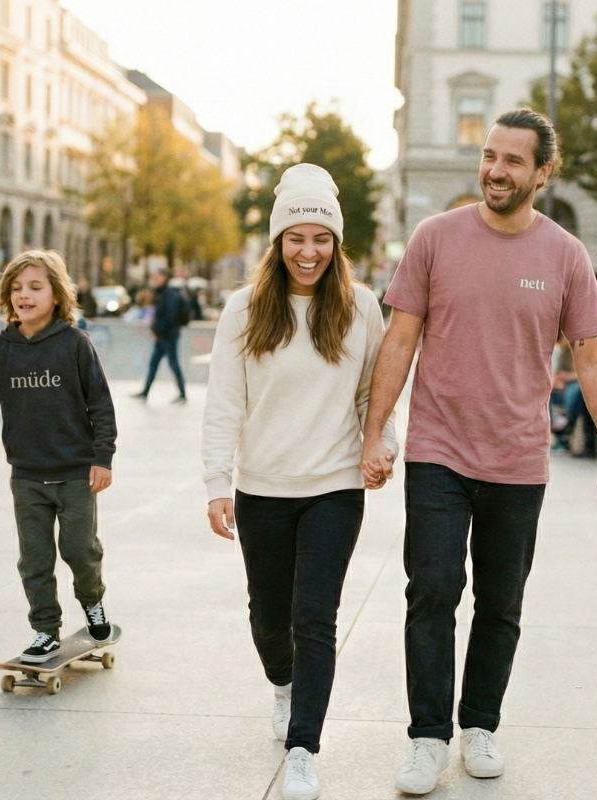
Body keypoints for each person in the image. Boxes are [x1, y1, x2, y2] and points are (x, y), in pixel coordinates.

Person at [359, 108, 597, 795]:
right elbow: (400, 338)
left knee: (500, 603)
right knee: (431, 591)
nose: (496, 170)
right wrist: (374, 431)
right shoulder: (435, 237)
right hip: (439, 451)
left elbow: (591, 357)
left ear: (543, 173)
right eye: (489, 155)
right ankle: (427, 738)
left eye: (513, 160)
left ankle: (480, 725)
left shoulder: (565, 254)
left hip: (517, 458)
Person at [201, 164, 398, 800]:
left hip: (334, 488)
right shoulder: (245, 308)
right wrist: (217, 481)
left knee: (315, 618)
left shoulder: (360, 307)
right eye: (296, 238)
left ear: (336, 241)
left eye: (320, 239)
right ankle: (283, 686)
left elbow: (374, 394)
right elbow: (224, 402)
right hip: (262, 488)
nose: (308, 252)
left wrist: (381, 444)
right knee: (268, 618)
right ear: (277, 242)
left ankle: (303, 748)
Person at [0, 249, 118, 665]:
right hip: (27, 476)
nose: (24, 295)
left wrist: (103, 457)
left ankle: (92, 602)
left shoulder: (75, 343)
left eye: (35, 287)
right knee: (34, 560)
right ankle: (45, 631)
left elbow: (100, 404)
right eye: (17, 288)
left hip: (76, 474)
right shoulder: (3, 348)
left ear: (56, 295)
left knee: (80, 550)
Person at [132, 268, 187, 403]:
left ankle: (182, 394)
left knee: (173, 364)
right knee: (154, 364)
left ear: (164, 277)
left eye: (157, 276)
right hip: (162, 336)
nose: (154, 279)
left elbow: (170, 317)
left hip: (168, 336)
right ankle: (145, 391)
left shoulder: (169, 295)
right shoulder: (161, 293)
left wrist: (160, 331)